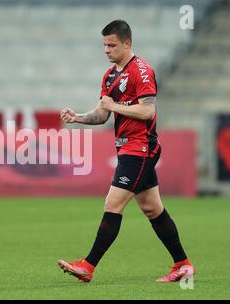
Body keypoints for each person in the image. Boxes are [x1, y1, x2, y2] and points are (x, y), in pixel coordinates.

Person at [58, 20, 194, 283]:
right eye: (104, 45)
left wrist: (115, 106)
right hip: (127, 149)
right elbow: (102, 114)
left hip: (141, 148)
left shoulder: (141, 71)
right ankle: (183, 265)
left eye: (112, 45)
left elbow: (147, 110)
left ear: (127, 43)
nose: (106, 50)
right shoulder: (110, 76)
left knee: (113, 204)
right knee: (153, 209)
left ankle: (88, 265)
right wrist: (78, 117)